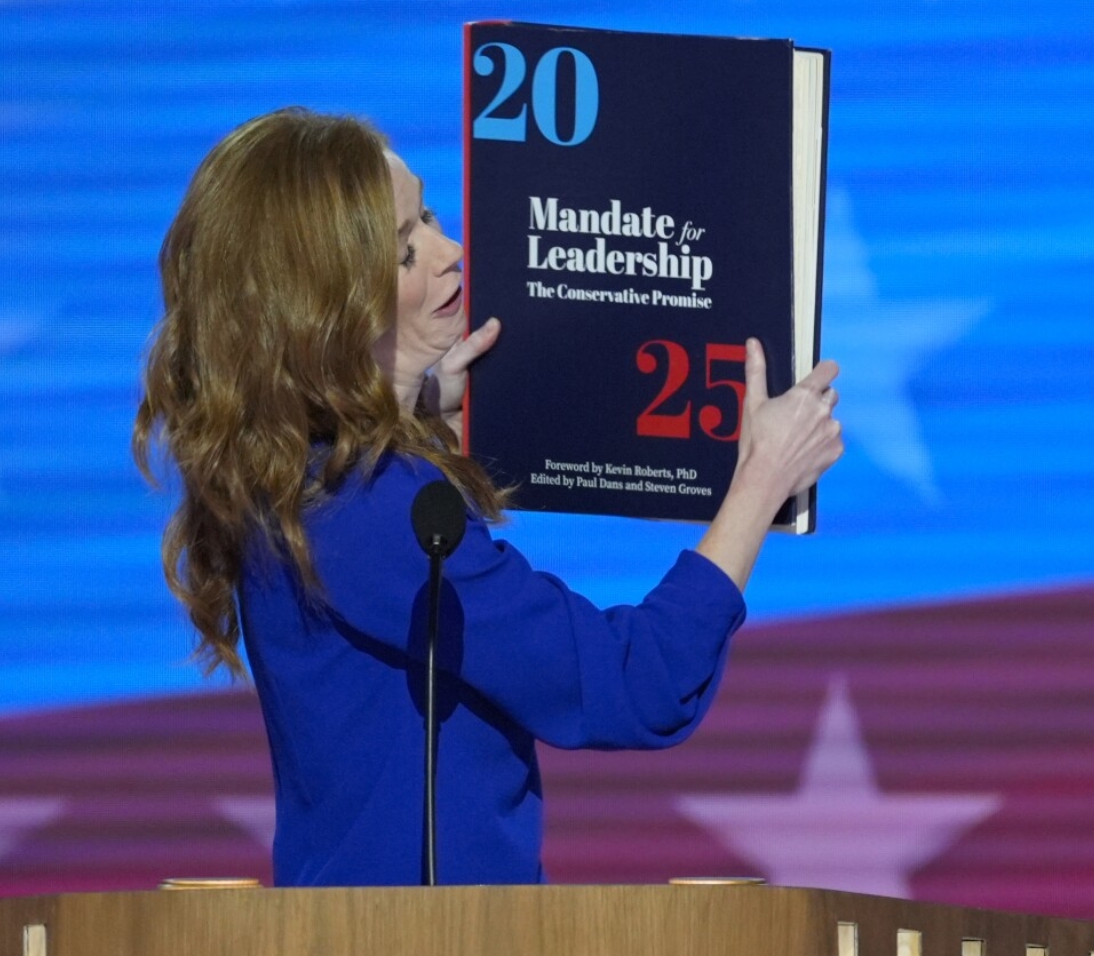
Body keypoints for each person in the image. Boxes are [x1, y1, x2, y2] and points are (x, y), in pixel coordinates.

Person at [134, 106, 843, 886]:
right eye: (406, 252)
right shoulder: (371, 509)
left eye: (430, 216)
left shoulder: (297, 485)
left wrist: (420, 411)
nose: (452, 254)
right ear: (324, 309)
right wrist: (761, 479)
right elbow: (637, 684)